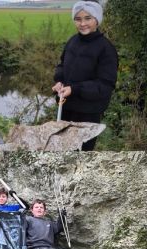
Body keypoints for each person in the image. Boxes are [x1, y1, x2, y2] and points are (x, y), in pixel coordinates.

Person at [53, 1, 118, 151]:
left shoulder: (106, 49)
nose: (82, 23)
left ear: (97, 20)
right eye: (78, 19)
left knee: (82, 154)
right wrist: (59, 81)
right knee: (62, 151)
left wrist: (74, 89)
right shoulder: (72, 41)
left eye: (88, 18)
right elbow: (62, 65)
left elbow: (105, 85)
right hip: (65, 108)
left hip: (88, 113)